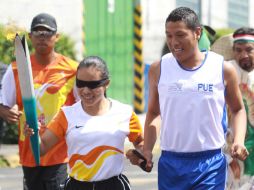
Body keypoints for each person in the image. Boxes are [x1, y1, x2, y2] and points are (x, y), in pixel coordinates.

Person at [142, 7, 249, 190]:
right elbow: (153, 113)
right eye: (169, 35)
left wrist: (238, 140)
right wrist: (147, 150)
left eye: (180, 35)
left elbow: (238, 109)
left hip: (210, 164)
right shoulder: (158, 69)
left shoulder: (221, 68)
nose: (174, 42)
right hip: (171, 163)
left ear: (197, 32)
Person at [24, 56, 144, 190]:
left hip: (113, 185)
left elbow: (141, 144)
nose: (86, 91)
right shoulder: (67, 115)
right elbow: (41, 149)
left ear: (106, 84)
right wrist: (32, 134)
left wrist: (139, 155)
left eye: (93, 85)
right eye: (80, 84)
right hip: (77, 186)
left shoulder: (124, 113)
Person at [0, 13, 78, 190]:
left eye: (47, 33)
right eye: (37, 32)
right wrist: (4, 111)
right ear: (30, 36)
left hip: (59, 151)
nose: (42, 37)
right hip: (29, 149)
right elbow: (4, 103)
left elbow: (84, 105)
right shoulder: (16, 69)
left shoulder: (72, 69)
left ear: (56, 37)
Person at [226, 27, 254, 189]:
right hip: (233, 155)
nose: (243, 55)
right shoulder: (225, 73)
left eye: (249, 49)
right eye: (238, 50)